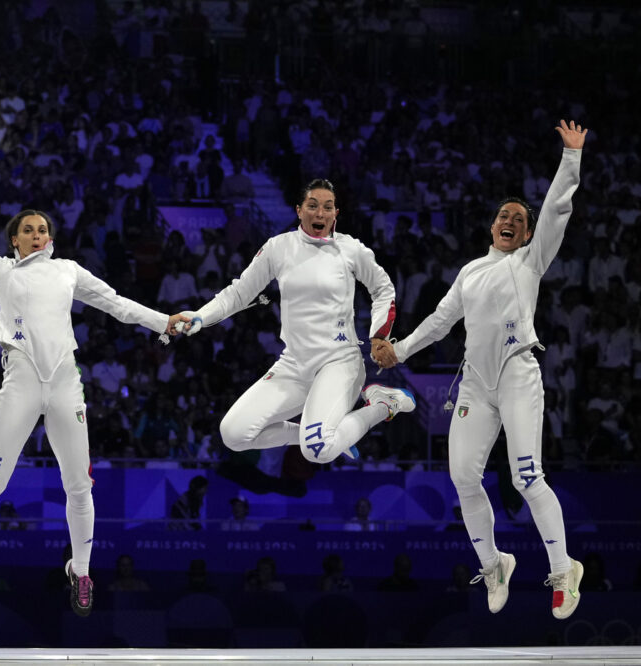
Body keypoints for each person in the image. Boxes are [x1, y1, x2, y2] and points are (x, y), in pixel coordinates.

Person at [0, 179, 187, 616]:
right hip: (21, 384)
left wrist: (163, 321)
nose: (37, 234)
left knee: (80, 486)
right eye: (28, 229)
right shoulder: (1, 269)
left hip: (66, 382)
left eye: (43, 229)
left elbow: (117, 303)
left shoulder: (67, 270)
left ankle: (82, 571)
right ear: (14, 239)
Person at [371, 120, 588, 620]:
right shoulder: (470, 272)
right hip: (476, 381)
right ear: (492, 226)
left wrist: (571, 158)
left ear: (528, 233)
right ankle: (494, 564)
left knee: (526, 476)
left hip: (517, 372)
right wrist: (399, 352)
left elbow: (557, 208)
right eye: (502, 216)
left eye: (518, 218)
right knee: (463, 476)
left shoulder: (531, 261)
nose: (509, 220)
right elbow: (440, 321)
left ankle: (563, 569)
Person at [176, 178, 415, 466]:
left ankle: (383, 403)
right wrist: (201, 315)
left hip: (339, 363)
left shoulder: (351, 250)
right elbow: (239, 293)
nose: (320, 213)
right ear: (299, 210)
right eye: (312, 206)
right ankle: (334, 434)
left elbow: (383, 288)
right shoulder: (278, 248)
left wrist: (379, 334)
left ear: (335, 213)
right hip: (294, 365)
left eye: (328, 207)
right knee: (234, 434)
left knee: (316, 451)